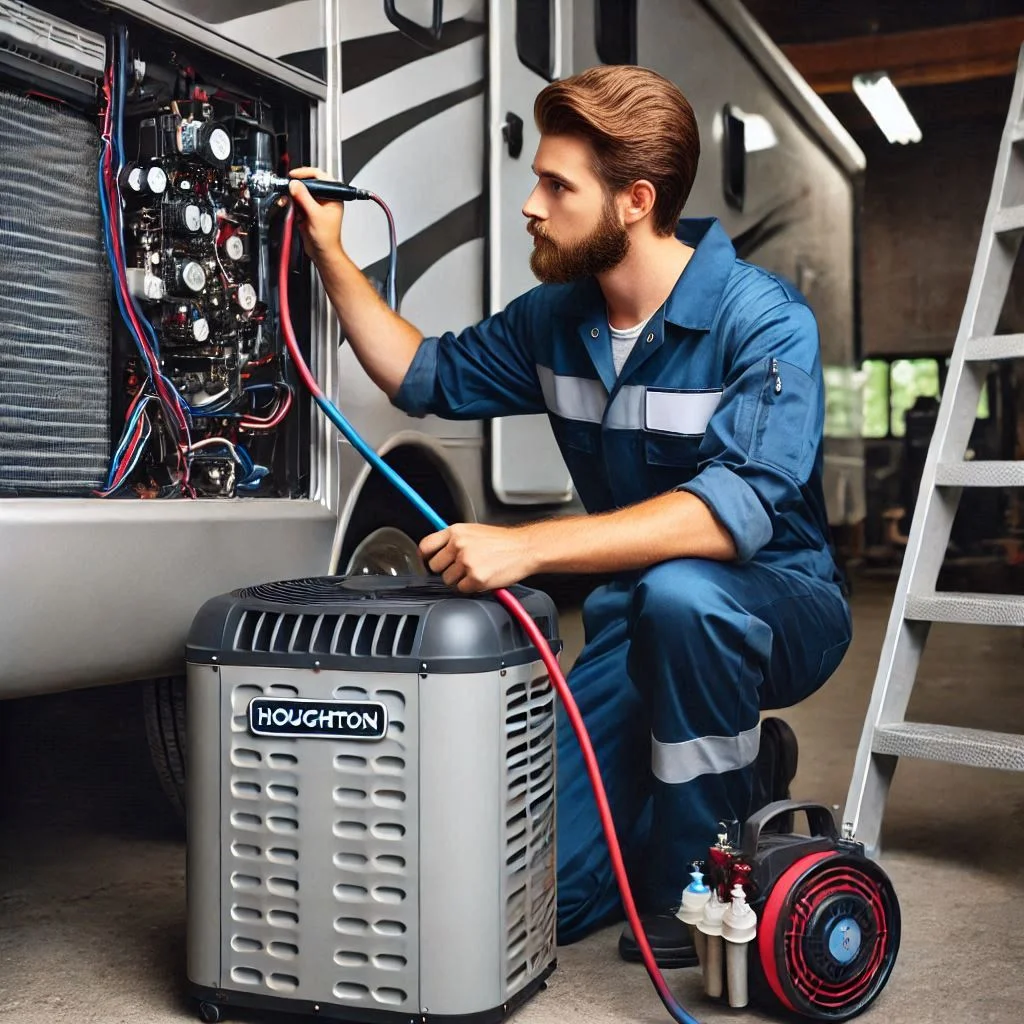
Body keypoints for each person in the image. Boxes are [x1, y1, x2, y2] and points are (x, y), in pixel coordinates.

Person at [287, 64, 852, 967]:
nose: (531, 205)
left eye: (558, 185)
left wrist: (526, 548)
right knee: (536, 886)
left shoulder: (762, 321)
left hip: (778, 607)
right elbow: (421, 374)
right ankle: (752, 766)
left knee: (684, 597)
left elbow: (734, 515)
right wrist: (329, 255)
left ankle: (701, 881)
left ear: (634, 200)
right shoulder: (556, 321)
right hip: (641, 619)